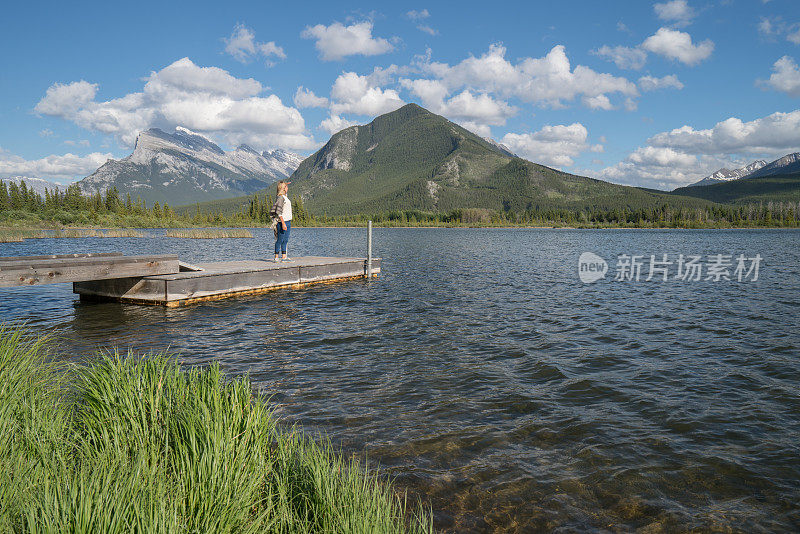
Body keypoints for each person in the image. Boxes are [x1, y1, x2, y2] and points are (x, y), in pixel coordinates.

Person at [270, 180, 292, 262]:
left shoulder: (285, 197)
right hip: (282, 222)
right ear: (283, 188)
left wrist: (285, 184)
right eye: (286, 186)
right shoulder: (280, 198)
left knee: (285, 240)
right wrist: (283, 223)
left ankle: (284, 257)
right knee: (280, 240)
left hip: (288, 221)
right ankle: (276, 257)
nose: (287, 187)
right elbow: (279, 212)